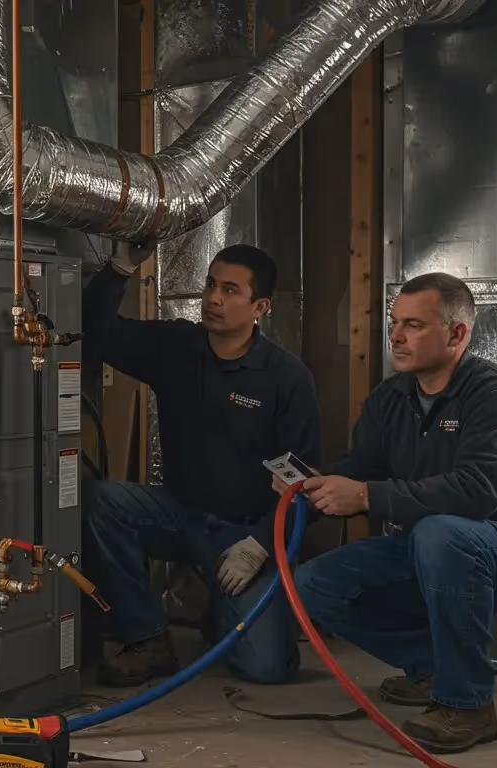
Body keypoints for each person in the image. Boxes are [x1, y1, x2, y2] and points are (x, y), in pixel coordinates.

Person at [292, 273, 497, 755]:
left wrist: (368, 497)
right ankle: (432, 668)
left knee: (442, 533)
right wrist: (318, 482)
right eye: (395, 323)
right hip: (428, 549)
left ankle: (468, 704)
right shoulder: (390, 398)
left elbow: (478, 493)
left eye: (413, 325)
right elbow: (360, 471)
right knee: (312, 585)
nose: (395, 335)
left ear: (457, 335)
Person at [81, 244, 322, 687]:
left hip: (243, 534)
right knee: (104, 500)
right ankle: (148, 637)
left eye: (230, 290)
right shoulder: (177, 346)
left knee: (266, 668)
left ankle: (226, 607)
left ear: (259, 307)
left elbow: (303, 486)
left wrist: (261, 544)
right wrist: (121, 266)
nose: (213, 298)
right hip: (180, 513)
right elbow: (96, 330)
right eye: (211, 285)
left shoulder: (285, 378)